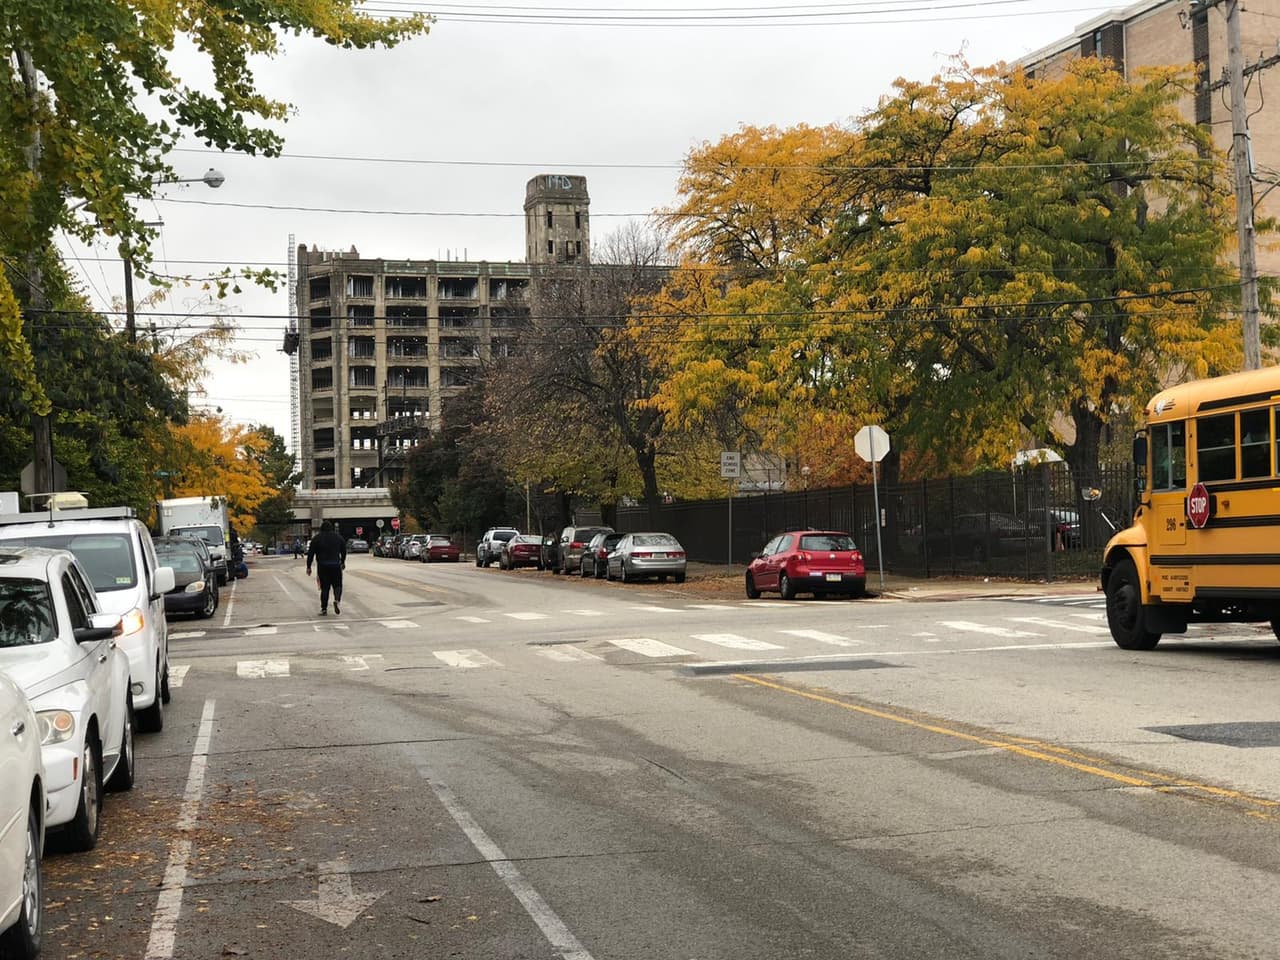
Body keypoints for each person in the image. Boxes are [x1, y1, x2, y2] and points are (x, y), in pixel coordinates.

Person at [306, 520, 348, 615]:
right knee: (338, 585)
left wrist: (308, 567)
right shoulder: (338, 537)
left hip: (322, 566)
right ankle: (337, 600)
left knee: (325, 587)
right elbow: (344, 550)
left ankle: (324, 609)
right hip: (335, 565)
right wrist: (342, 561)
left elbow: (310, 554)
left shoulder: (316, 538)